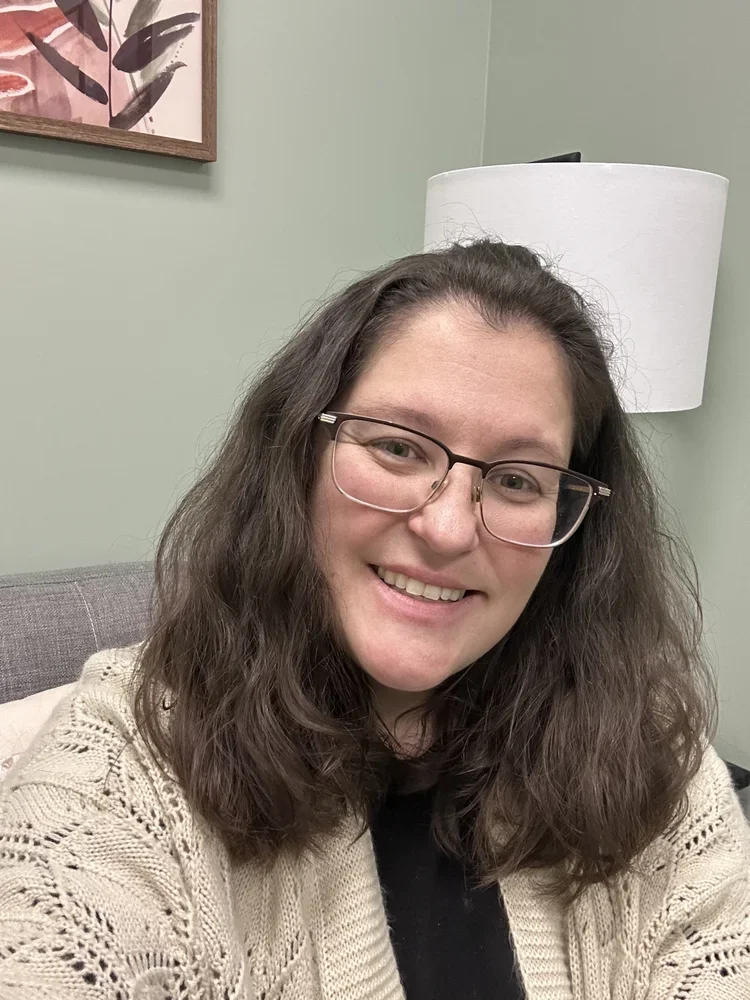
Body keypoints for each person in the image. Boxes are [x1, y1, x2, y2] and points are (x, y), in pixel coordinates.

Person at [1, 239, 749, 1000]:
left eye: (519, 479)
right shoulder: (126, 761)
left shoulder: (652, 758)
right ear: (298, 454)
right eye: (397, 447)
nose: (450, 529)